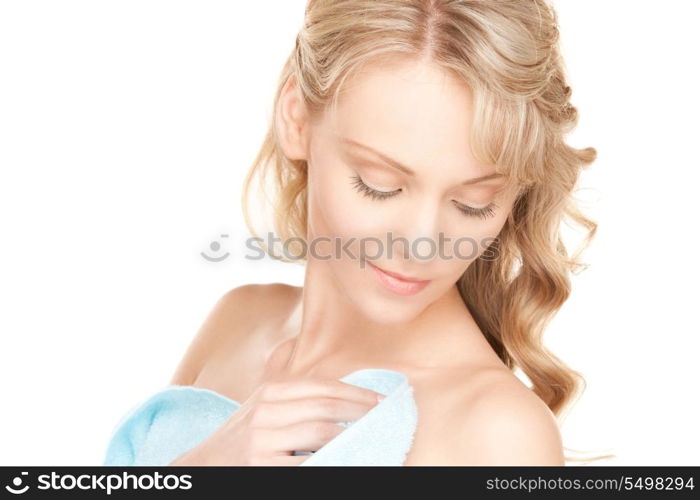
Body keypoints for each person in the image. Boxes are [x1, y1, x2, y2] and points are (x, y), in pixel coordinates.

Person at [168, 0, 608, 465]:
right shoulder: (238, 322)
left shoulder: (497, 434)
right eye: (380, 186)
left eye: (472, 203)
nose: (422, 243)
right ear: (297, 119)